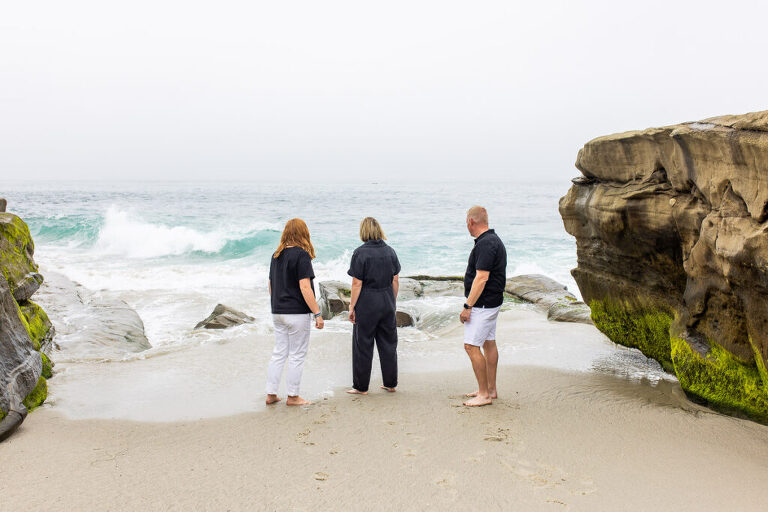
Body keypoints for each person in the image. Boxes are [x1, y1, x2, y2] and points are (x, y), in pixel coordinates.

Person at [266, 218, 324, 406]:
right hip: (296, 313)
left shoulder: (276, 255)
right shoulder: (301, 255)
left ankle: (271, 394)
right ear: (303, 233)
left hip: (278, 311)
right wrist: (317, 313)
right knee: (297, 354)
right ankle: (293, 396)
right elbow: (305, 287)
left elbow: (270, 285)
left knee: (279, 352)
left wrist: (276, 304)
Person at [346, 217, 401, 395]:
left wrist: (351, 306)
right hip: (386, 299)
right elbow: (395, 280)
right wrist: (392, 301)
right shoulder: (390, 251)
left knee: (363, 343)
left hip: (367, 301)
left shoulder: (360, 253)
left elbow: (356, 284)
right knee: (388, 343)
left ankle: (361, 387)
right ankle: (390, 383)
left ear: (364, 231)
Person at [459, 206, 507, 407]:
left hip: (483, 304)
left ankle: (484, 394)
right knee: (489, 343)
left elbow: (482, 277)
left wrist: (468, 305)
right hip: (492, 302)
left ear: (471, 221)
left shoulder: (486, 244)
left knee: (471, 346)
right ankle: (490, 389)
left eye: (466, 223)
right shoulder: (493, 240)